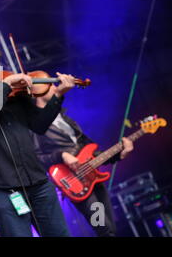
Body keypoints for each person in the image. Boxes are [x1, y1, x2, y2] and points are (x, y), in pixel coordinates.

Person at [0, 40, 76, 237]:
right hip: (1, 190)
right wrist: (6, 85)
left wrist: (57, 96)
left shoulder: (15, 93)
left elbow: (38, 126)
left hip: (38, 183)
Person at [33, 85, 134, 237]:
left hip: (92, 177)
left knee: (111, 229)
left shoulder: (65, 118)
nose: (55, 87)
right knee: (103, 228)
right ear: (37, 92)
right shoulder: (36, 125)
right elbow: (35, 158)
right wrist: (62, 155)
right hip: (74, 183)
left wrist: (120, 153)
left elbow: (91, 152)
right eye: (49, 84)